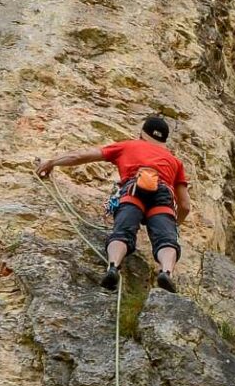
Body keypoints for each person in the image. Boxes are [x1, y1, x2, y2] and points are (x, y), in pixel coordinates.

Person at [35, 114, 190, 292]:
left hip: (133, 190)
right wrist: (173, 224)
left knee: (122, 232)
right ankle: (166, 272)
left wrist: (52, 162)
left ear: (142, 134)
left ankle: (114, 267)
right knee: (166, 240)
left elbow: (81, 156)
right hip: (162, 195)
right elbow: (185, 205)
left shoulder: (128, 146)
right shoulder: (175, 162)